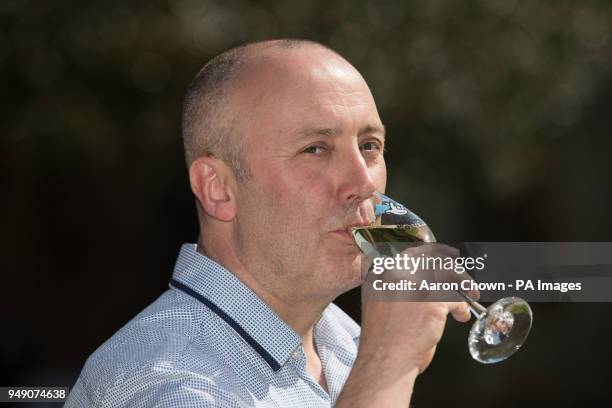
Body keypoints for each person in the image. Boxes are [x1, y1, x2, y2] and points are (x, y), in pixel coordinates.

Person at [65, 39, 471, 407]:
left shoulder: (343, 342)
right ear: (217, 189)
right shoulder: (171, 386)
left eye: (369, 146)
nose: (364, 182)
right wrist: (386, 366)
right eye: (316, 149)